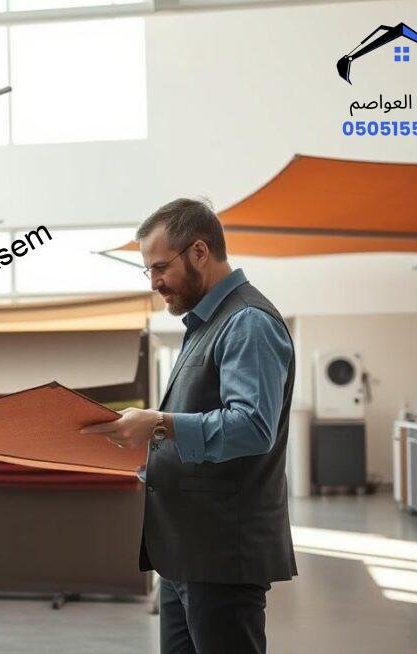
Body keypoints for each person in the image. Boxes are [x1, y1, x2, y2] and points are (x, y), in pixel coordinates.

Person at [82, 198, 296, 654]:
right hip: (185, 553)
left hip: (221, 556)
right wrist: (148, 454)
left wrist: (157, 425)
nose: (155, 282)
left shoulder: (248, 322)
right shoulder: (204, 323)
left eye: (160, 267)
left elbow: (254, 426)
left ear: (200, 252)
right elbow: (198, 422)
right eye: (149, 271)